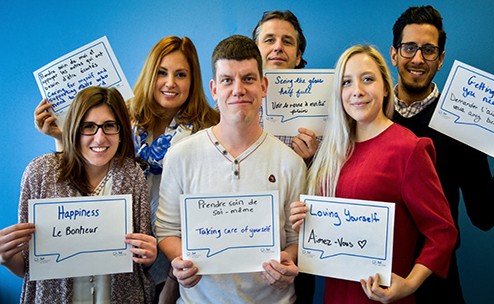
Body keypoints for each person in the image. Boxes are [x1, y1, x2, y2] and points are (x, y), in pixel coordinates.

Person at [34, 36, 220, 304]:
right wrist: (62, 137)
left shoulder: (207, 128)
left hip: (178, 252)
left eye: (181, 74)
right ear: (149, 74)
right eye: (162, 73)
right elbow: (87, 174)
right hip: (118, 245)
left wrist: (172, 279)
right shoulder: (123, 118)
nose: (170, 83)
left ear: (193, 81)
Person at [389, 6, 494, 303]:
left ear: (441, 59)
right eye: (409, 48)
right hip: (374, 272)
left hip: (436, 281)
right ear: (394, 54)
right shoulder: (367, 115)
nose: (418, 59)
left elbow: (483, 216)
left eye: (429, 50)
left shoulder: (460, 121)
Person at [290, 45, 458, 304]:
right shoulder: (333, 151)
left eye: (367, 79)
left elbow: (443, 231)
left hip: (383, 298)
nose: (356, 90)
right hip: (335, 297)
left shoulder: (409, 148)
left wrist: (410, 284)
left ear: (385, 86)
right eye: (347, 82)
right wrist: (305, 220)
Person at [155, 35, 306, 303]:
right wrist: (180, 261)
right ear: (214, 89)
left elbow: (296, 238)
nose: (238, 89)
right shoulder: (180, 156)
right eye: (227, 80)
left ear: (263, 85)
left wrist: (288, 260)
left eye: (248, 79)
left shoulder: (290, 162)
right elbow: (167, 231)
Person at [0, 86, 157, 303]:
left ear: (121, 131)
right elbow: (27, 267)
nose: (100, 138)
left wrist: (149, 256)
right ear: (74, 129)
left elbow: (141, 261)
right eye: (88, 127)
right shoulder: (40, 172)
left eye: (110, 126)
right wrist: (6, 257)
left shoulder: (132, 174)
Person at [252, 10, 320, 163]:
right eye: (269, 40)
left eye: (287, 41)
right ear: (255, 51)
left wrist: (313, 159)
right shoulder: (232, 103)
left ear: (298, 57)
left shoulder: (325, 108)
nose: (278, 47)